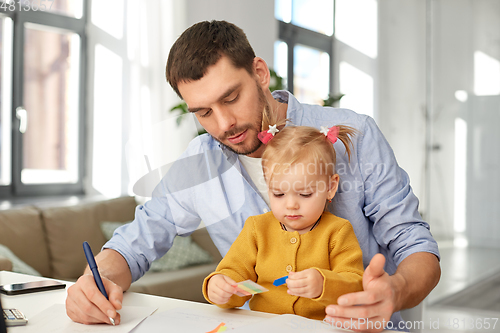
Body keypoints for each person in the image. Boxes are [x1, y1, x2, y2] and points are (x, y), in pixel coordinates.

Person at [65, 20, 440, 332]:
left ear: (259, 73)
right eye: (203, 112)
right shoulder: (199, 163)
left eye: (230, 98)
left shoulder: (353, 134)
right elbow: (134, 243)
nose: (224, 124)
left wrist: (398, 289)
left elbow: (414, 243)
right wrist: (95, 282)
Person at [204, 123, 364, 320]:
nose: (291, 205)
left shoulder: (338, 231)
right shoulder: (257, 229)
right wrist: (220, 286)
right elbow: (234, 271)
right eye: (278, 194)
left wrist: (324, 284)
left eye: (305, 194)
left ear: (330, 187)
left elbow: (355, 284)